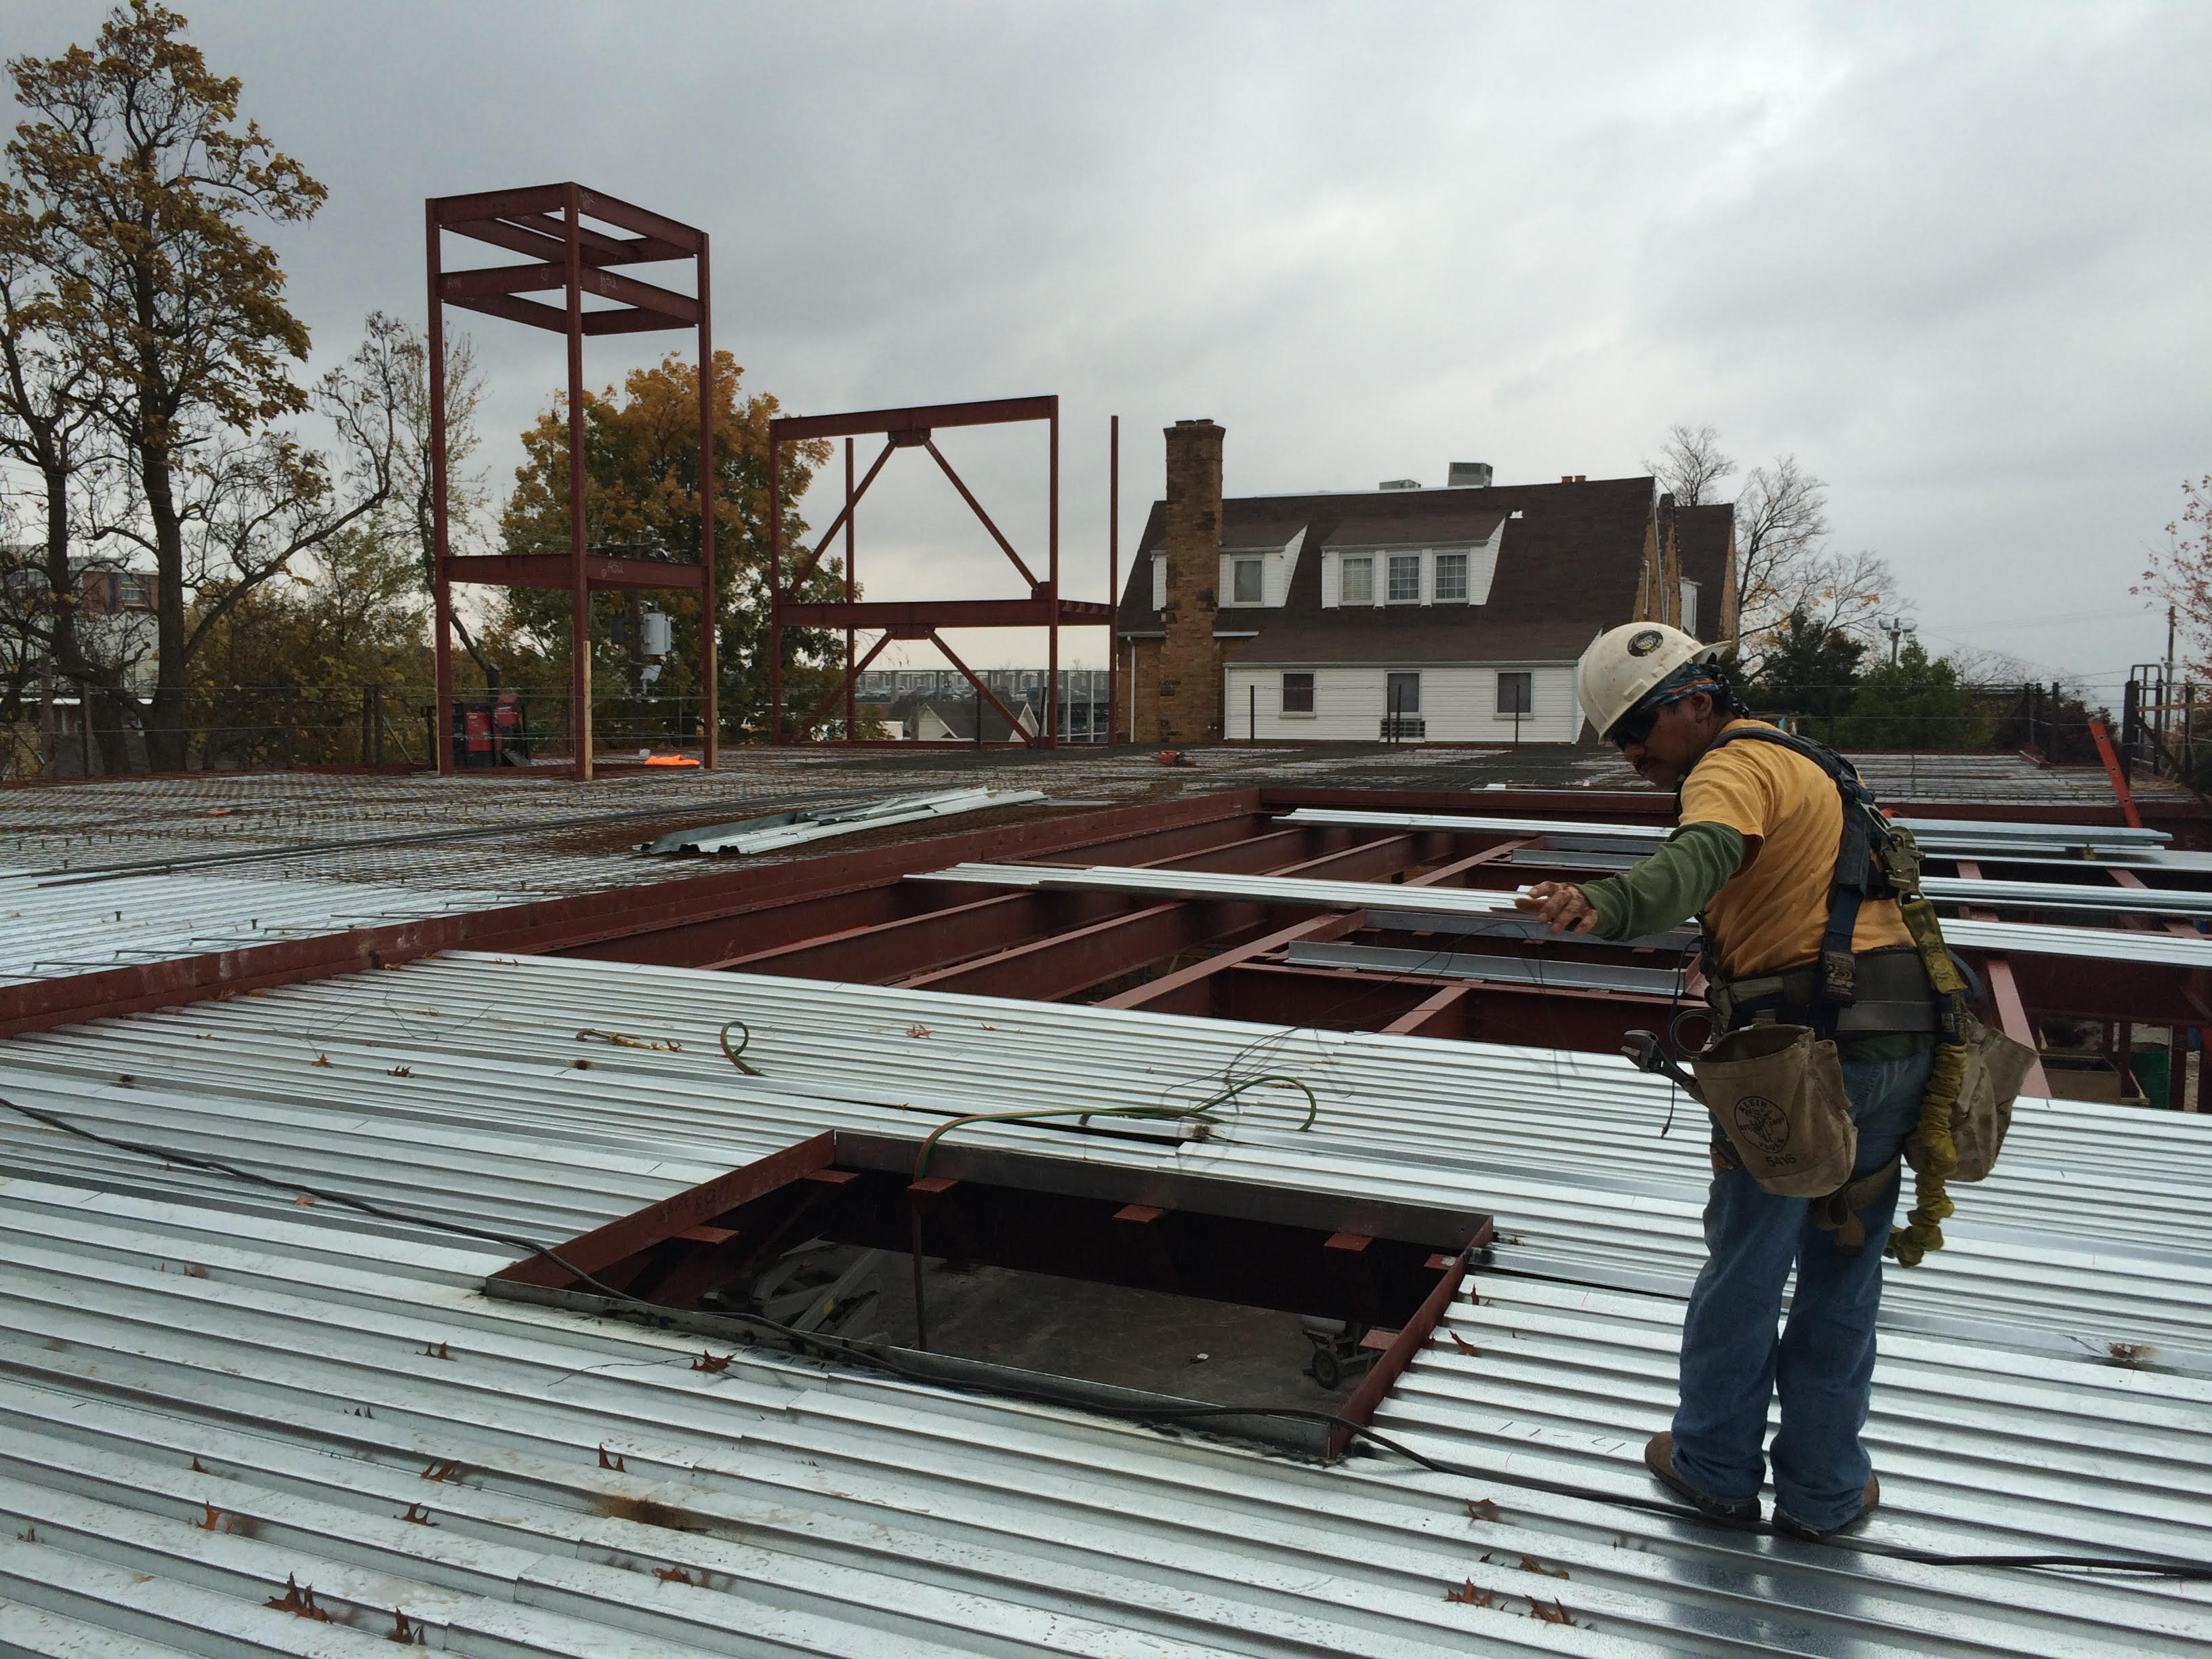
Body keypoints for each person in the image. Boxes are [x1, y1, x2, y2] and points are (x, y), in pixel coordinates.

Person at [1514, 621, 1935, 1540]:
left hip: (1804, 1053)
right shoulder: (1812, 763)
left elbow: (1699, 857)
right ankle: (1825, 1493)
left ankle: (1713, 1466)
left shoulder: (1728, 768)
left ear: (1698, 702)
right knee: (1844, 1262)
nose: (1627, 754)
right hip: (1900, 1039)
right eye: (1615, 738)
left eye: (1637, 728)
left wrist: (1607, 902)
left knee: (1749, 1261)